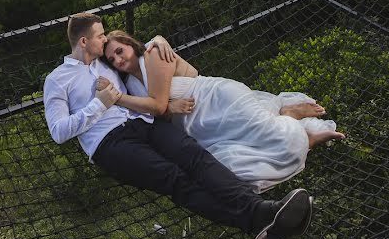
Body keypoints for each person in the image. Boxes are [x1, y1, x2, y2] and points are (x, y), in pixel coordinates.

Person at [43, 12, 313, 239]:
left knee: (195, 156)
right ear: (83, 41)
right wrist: (98, 105)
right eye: (100, 36)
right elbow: (58, 132)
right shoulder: (57, 80)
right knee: (175, 179)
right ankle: (255, 221)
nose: (104, 41)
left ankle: (265, 210)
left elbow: (141, 59)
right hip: (109, 143)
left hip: (145, 123)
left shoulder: (107, 64)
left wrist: (159, 40)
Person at [101, 30, 345, 193]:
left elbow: (157, 104)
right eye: (112, 59)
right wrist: (167, 108)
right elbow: (154, 113)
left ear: (130, 44)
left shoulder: (153, 53)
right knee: (229, 169)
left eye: (120, 51)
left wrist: (149, 104)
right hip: (198, 126)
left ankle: (292, 118)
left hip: (217, 100)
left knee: (271, 134)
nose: (118, 60)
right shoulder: (131, 85)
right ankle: (299, 132)